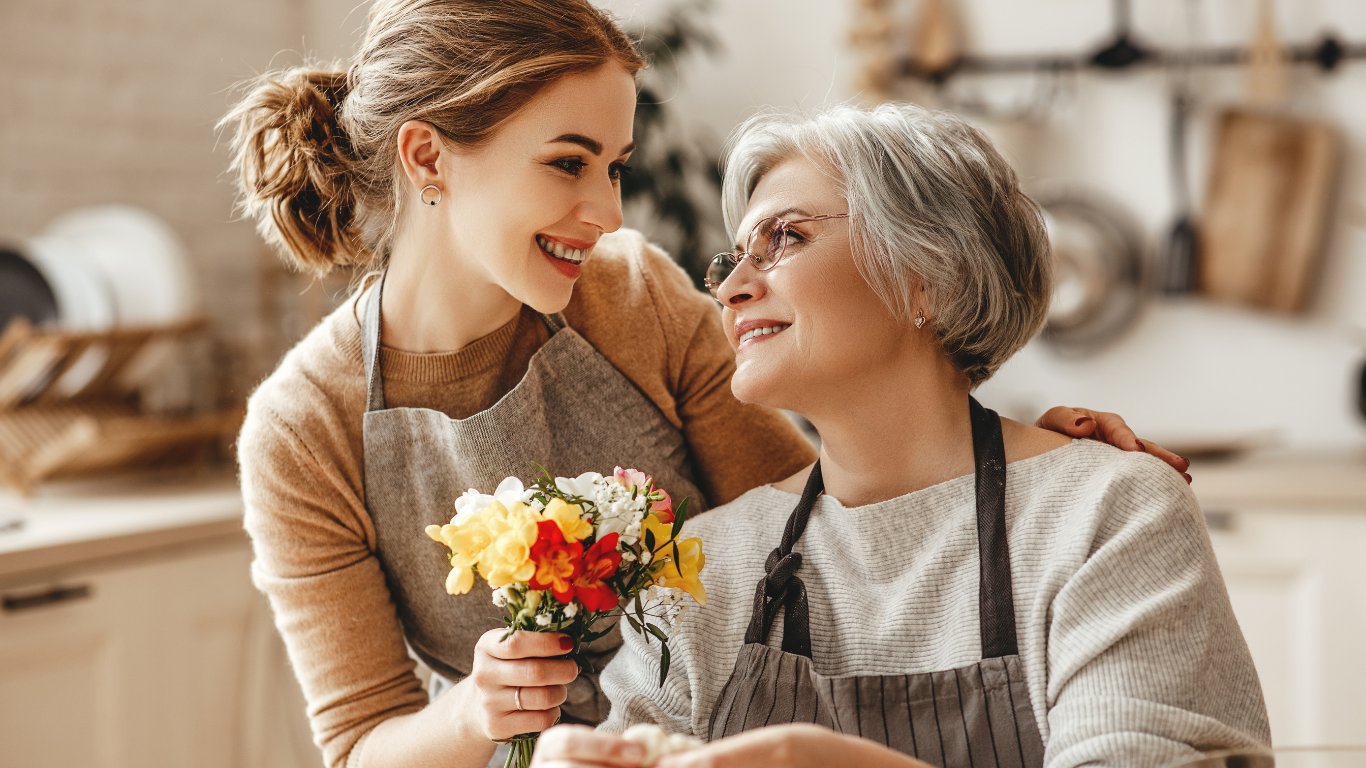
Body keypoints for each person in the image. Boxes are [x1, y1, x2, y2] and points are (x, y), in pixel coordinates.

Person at [221, 3, 1191, 767]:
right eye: (568, 164)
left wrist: (1028, 466)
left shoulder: (629, 298)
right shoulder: (303, 429)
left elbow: (825, 522)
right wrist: (481, 709)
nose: (604, 212)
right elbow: (360, 745)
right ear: (428, 156)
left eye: (615, 167)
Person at [533, 103, 1269, 768]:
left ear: (929, 275)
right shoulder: (702, 569)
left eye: (784, 237)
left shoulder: (1108, 515)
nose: (730, 289)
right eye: (731, 260)